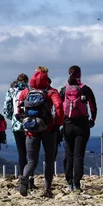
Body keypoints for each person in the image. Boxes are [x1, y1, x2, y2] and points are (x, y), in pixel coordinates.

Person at [17, 66, 64, 197]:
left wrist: (23, 120)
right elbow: (59, 106)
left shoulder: (27, 91)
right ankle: (47, 189)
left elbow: (19, 107)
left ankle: (25, 178)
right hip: (48, 129)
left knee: (31, 160)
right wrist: (58, 123)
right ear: (46, 76)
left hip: (31, 130)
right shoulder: (51, 91)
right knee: (49, 160)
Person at [60, 65, 97, 192]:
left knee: (68, 153)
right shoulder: (85, 89)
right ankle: (77, 183)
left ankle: (69, 181)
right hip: (82, 125)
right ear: (80, 74)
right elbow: (93, 107)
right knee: (79, 155)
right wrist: (92, 120)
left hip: (67, 124)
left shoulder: (63, 90)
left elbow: (59, 108)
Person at [3, 74, 32, 186]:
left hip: (17, 125)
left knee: (21, 152)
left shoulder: (11, 91)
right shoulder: (30, 90)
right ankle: (30, 178)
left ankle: (22, 178)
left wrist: (13, 119)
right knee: (31, 153)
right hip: (30, 124)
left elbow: (7, 108)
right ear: (26, 80)